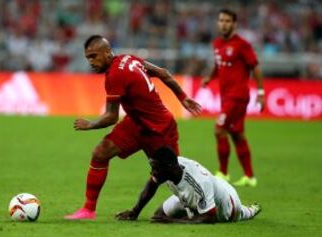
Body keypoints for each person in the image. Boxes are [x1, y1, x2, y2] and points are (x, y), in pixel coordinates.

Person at [64, 35, 202, 220]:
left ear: (106, 53)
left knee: (173, 177)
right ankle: (88, 210)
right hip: (136, 123)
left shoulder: (115, 75)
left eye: (94, 56)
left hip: (160, 129)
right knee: (100, 153)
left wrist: (90, 125)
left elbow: (111, 117)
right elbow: (164, 73)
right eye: (88, 57)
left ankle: (204, 206)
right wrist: (183, 96)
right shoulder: (129, 59)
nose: (91, 62)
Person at [202, 9, 265, 187]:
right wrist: (209, 77)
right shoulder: (216, 44)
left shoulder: (242, 45)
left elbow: (256, 68)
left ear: (234, 24)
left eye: (228, 21)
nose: (224, 24)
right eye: (221, 20)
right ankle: (249, 177)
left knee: (219, 130)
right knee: (237, 134)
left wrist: (261, 93)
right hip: (225, 96)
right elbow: (218, 65)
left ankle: (223, 173)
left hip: (237, 96)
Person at [115, 147, 262, 223]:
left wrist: (173, 221)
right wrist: (134, 212)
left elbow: (208, 217)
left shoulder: (197, 183)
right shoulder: (169, 167)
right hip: (208, 189)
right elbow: (151, 185)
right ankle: (191, 212)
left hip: (227, 205)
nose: (153, 172)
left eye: (156, 168)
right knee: (158, 217)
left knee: (240, 213)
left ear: (170, 167)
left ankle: (250, 210)